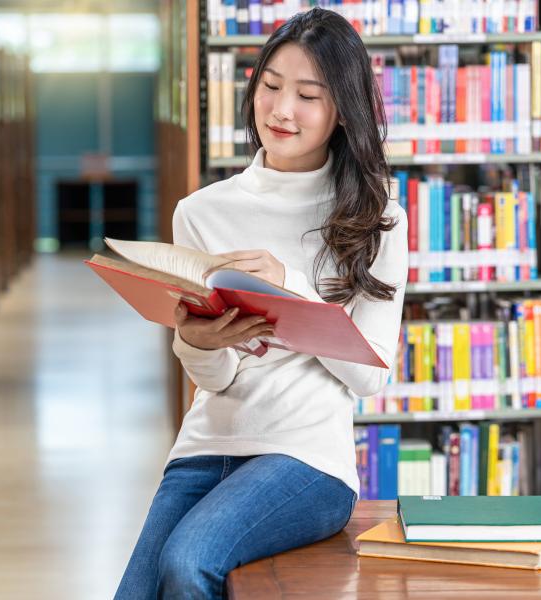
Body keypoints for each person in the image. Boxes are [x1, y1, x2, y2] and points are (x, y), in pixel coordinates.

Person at [115, 7, 408, 599]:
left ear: (343, 111)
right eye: (271, 86)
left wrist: (292, 288)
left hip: (306, 460)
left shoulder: (377, 219)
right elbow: (216, 380)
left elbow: (370, 374)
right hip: (207, 446)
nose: (281, 110)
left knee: (189, 562)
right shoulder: (201, 211)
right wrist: (195, 341)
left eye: (308, 95)